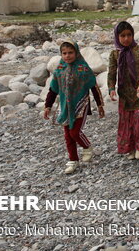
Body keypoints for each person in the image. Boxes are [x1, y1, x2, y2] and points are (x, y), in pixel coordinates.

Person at [43, 41, 105, 174]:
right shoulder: (60, 69)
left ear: (76, 53)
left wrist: (100, 104)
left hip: (80, 104)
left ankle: (87, 147)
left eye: (70, 52)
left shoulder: (83, 68)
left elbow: (93, 86)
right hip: (66, 106)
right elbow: (53, 89)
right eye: (64, 53)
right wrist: (48, 105)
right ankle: (73, 160)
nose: (67, 56)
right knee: (68, 135)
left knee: (75, 132)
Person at [108, 22, 139, 160]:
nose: (126, 39)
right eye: (122, 36)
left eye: (129, 35)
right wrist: (111, 88)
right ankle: (130, 149)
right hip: (124, 94)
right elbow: (111, 72)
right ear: (117, 37)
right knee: (126, 123)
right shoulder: (115, 54)